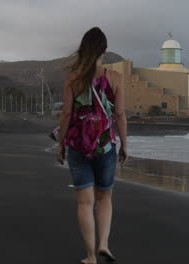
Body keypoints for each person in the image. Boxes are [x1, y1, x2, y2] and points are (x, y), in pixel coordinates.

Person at [56, 26, 128, 264]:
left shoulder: (73, 78)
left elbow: (66, 114)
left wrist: (60, 145)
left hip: (78, 145)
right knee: (105, 197)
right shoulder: (115, 78)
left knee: (85, 202)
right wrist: (124, 145)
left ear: (84, 49)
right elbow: (119, 114)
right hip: (105, 146)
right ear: (104, 50)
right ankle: (104, 244)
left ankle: (90, 256)